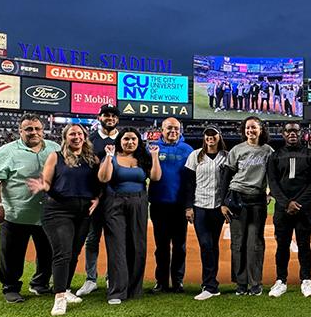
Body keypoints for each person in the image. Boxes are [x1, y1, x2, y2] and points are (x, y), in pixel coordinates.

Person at [0, 114, 60, 303]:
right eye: (28, 129)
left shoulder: (54, 148)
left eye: (37, 129)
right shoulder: (7, 151)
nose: (33, 132)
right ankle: (10, 287)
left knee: (48, 252)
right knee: (12, 253)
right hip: (16, 213)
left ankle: (40, 283)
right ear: (20, 131)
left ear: (43, 131)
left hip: (47, 213)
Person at [27, 124, 100, 316]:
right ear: (65, 137)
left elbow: (98, 184)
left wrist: (98, 198)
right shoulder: (56, 156)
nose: (76, 137)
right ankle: (59, 297)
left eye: (79, 134)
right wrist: (43, 185)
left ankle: (65, 289)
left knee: (74, 252)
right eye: (72, 134)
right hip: (58, 210)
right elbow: (47, 181)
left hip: (83, 212)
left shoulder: (93, 159)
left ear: (85, 137)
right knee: (63, 252)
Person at [97, 128, 161, 305]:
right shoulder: (112, 155)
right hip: (115, 203)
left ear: (138, 141)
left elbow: (155, 177)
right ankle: (117, 291)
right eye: (126, 139)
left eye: (133, 139)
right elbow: (103, 178)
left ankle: (134, 289)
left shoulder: (143, 158)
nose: (130, 142)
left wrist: (155, 156)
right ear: (120, 140)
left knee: (137, 244)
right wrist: (109, 157)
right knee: (117, 245)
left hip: (139, 202)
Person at [218, 116, 274, 296]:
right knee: (238, 243)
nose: (251, 131)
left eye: (254, 128)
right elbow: (226, 176)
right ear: (244, 131)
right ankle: (241, 284)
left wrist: (271, 193)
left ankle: (255, 283)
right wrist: (222, 202)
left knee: (255, 243)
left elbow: (274, 175)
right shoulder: (237, 150)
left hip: (257, 199)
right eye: (248, 128)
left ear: (261, 130)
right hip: (237, 197)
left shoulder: (268, 151)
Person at [266, 122, 311, 297]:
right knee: (282, 246)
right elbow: (272, 183)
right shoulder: (275, 156)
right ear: (283, 134)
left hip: (303, 209)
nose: (292, 134)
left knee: (304, 245)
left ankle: (306, 280)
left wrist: (298, 202)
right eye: (288, 131)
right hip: (283, 210)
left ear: (301, 134)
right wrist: (285, 203)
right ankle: (280, 280)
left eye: (295, 131)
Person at [76, 103, 120, 297]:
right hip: (94, 199)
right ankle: (90, 279)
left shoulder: (125, 138)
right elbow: (84, 171)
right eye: (106, 115)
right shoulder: (90, 140)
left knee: (114, 239)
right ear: (99, 117)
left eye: (113, 115)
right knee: (92, 239)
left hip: (117, 198)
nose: (109, 118)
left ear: (117, 119)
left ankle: (112, 277)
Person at [148, 117, 193, 293]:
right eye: (169, 128)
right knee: (161, 246)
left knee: (180, 245)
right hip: (159, 204)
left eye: (176, 128)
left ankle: (177, 280)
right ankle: (161, 281)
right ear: (162, 129)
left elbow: (191, 180)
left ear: (180, 130)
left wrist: (189, 205)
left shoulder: (187, 150)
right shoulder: (152, 148)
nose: (173, 131)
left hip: (180, 205)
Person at [184, 126, 229, 300]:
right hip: (200, 205)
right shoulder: (195, 155)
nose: (210, 137)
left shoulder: (226, 156)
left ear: (219, 136)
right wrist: (188, 207)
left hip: (218, 207)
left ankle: (211, 284)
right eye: (207, 135)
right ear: (204, 137)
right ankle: (209, 284)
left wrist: (226, 205)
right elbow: (188, 184)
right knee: (205, 244)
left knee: (213, 245)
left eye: (213, 134)